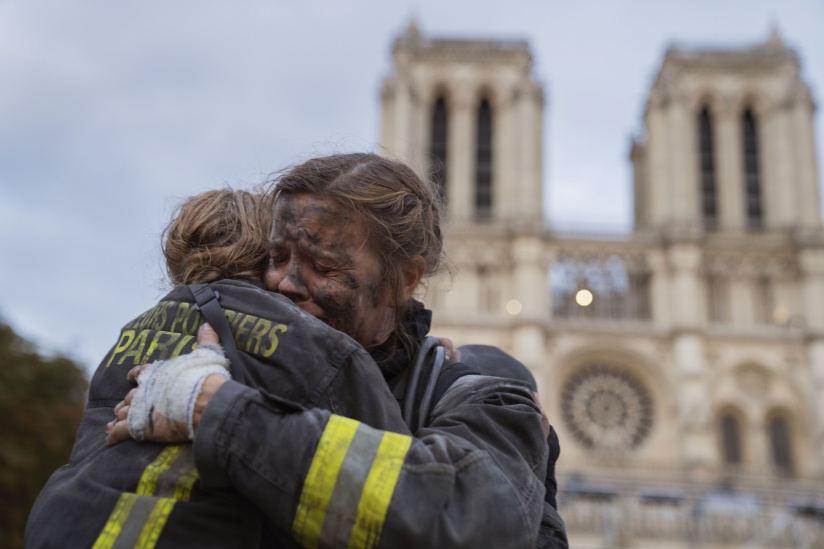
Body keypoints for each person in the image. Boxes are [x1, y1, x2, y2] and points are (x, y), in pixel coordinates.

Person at [105, 153, 568, 548]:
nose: (284, 284)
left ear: (403, 280)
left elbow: (471, 523)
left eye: (323, 266)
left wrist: (224, 417)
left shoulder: (482, 396)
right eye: (276, 258)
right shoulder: (207, 366)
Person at [25, 189, 419, 547]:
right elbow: (403, 484)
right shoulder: (317, 344)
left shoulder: (130, 333)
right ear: (269, 253)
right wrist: (414, 348)